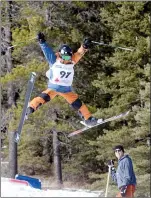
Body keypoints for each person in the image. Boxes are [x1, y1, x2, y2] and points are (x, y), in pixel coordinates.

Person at [26, 32, 101, 126]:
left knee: (78, 104)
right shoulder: (54, 60)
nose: (67, 59)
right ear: (61, 55)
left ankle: (88, 119)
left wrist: (85, 46)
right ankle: (31, 107)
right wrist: (42, 42)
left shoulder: (72, 60)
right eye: (65, 57)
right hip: (54, 87)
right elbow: (47, 51)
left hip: (66, 89)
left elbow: (79, 53)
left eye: (68, 57)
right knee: (43, 97)